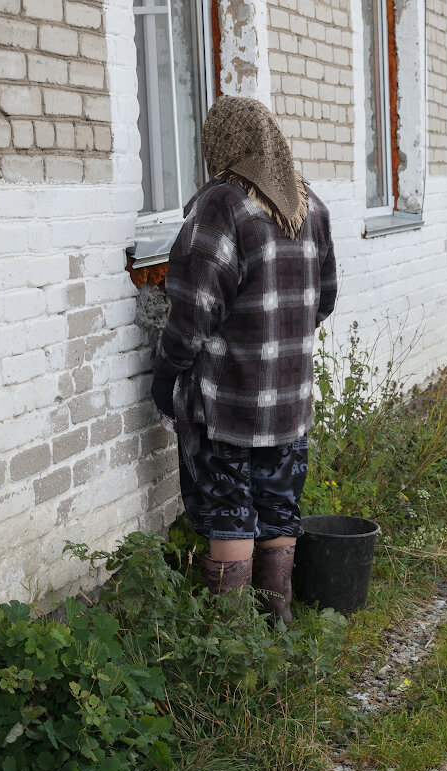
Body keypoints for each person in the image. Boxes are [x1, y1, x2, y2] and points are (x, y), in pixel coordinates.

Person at [150, 95, 338, 624]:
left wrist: (168, 370)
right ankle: (275, 628)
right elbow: (323, 300)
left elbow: (194, 312)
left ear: (222, 146)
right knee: (279, 510)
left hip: (224, 406)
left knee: (228, 514)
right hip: (288, 405)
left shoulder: (223, 206)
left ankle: (234, 648)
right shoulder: (310, 206)